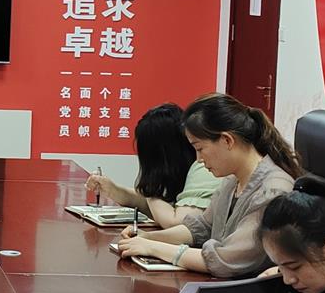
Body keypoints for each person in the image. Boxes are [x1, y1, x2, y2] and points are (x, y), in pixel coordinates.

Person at [114, 94, 298, 276]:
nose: (199, 159)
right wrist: (148, 237)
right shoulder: (232, 180)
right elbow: (201, 228)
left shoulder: (273, 190)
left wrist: (153, 247)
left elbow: (226, 260)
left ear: (227, 140)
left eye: (200, 148)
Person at [85, 101, 220, 230]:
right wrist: (112, 189)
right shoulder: (183, 169)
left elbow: (177, 223)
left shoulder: (204, 167)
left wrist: (150, 187)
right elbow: (151, 204)